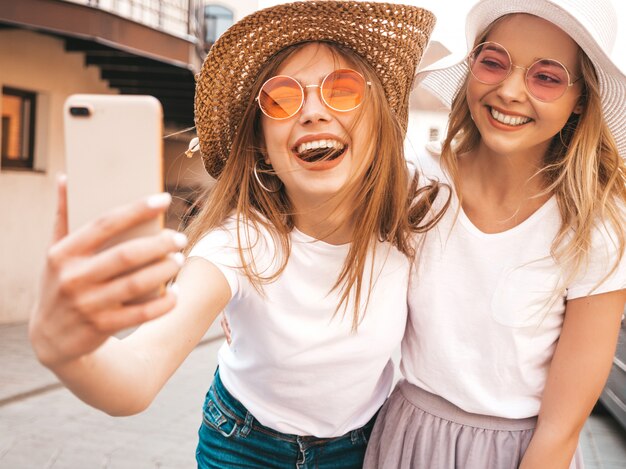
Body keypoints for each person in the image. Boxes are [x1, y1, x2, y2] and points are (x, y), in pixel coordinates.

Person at [28, 2, 440, 468]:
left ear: (379, 121)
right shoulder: (239, 244)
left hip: (358, 446)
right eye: (281, 99)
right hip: (244, 443)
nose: (312, 113)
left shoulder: (414, 221)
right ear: (261, 147)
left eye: (341, 90)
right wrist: (68, 352)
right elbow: (136, 376)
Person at [364, 0, 626, 468]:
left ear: (581, 99)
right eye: (493, 62)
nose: (508, 91)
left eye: (546, 77)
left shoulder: (595, 229)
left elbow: (561, 429)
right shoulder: (415, 186)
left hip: (522, 455)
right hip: (405, 439)